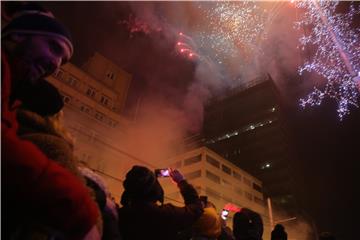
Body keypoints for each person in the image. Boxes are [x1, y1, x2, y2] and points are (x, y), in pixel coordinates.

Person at [2, 8, 100, 240]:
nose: (56, 65)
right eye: (54, 48)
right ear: (18, 35)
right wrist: (79, 209)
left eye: (62, 62)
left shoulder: (11, 97)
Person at [118, 166, 204, 240]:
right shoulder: (164, 214)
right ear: (154, 188)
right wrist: (181, 182)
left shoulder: (120, 215)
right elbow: (196, 209)